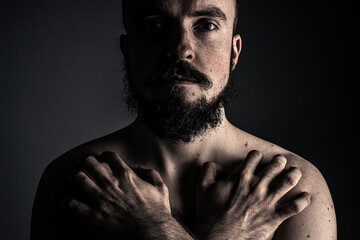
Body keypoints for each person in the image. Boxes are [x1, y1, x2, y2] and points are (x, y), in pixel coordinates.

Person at [31, 0, 337, 239]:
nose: (180, 48)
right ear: (127, 51)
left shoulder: (291, 187)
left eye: (206, 25)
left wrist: (153, 230)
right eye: (154, 25)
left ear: (234, 51)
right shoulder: (76, 183)